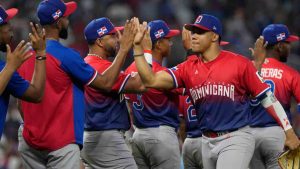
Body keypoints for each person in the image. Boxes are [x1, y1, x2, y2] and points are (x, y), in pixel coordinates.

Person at [132, 14, 300, 169]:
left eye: (200, 32)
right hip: (206, 141)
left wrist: (289, 132)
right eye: (193, 32)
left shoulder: (238, 63)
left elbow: (267, 98)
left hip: (235, 137)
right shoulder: (187, 68)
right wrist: (140, 50)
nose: (194, 36)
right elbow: (150, 80)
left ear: (214, 36)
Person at [17, 0, 136, 168]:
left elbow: (20, 103)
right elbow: (106, 83)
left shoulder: (24, 55)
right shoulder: (66, 55)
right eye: (66, 17)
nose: (69, 21)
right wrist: (124, 49)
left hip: (29, 140)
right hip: (59, 142)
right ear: (58, 23)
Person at [81, 17, 145, 169]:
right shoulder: (99, 66)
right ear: (100, 42)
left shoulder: (89, 63)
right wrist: (142, 48)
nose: (119, 39)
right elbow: (141, 84)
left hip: (95, 137)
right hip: (106, 139)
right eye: (113, 36)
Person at [125, 19, 182, 169]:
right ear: (157, 44)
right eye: (168, 39)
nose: (171, 43)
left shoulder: (130, 69)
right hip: (161, 135)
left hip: (137, 135)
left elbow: (129, 108)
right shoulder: (161, 74)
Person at [249, 24, 300, 169]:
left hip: (250, 135)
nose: (290, 47)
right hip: (278, 134)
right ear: (279, 46)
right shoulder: (291, 73)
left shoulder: (249, 68)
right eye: (288, 43)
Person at [0, 6, 46, 137]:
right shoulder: (5, 69)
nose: (12, 33)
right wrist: (41, 53)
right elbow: (36, 94)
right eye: (7, 27)